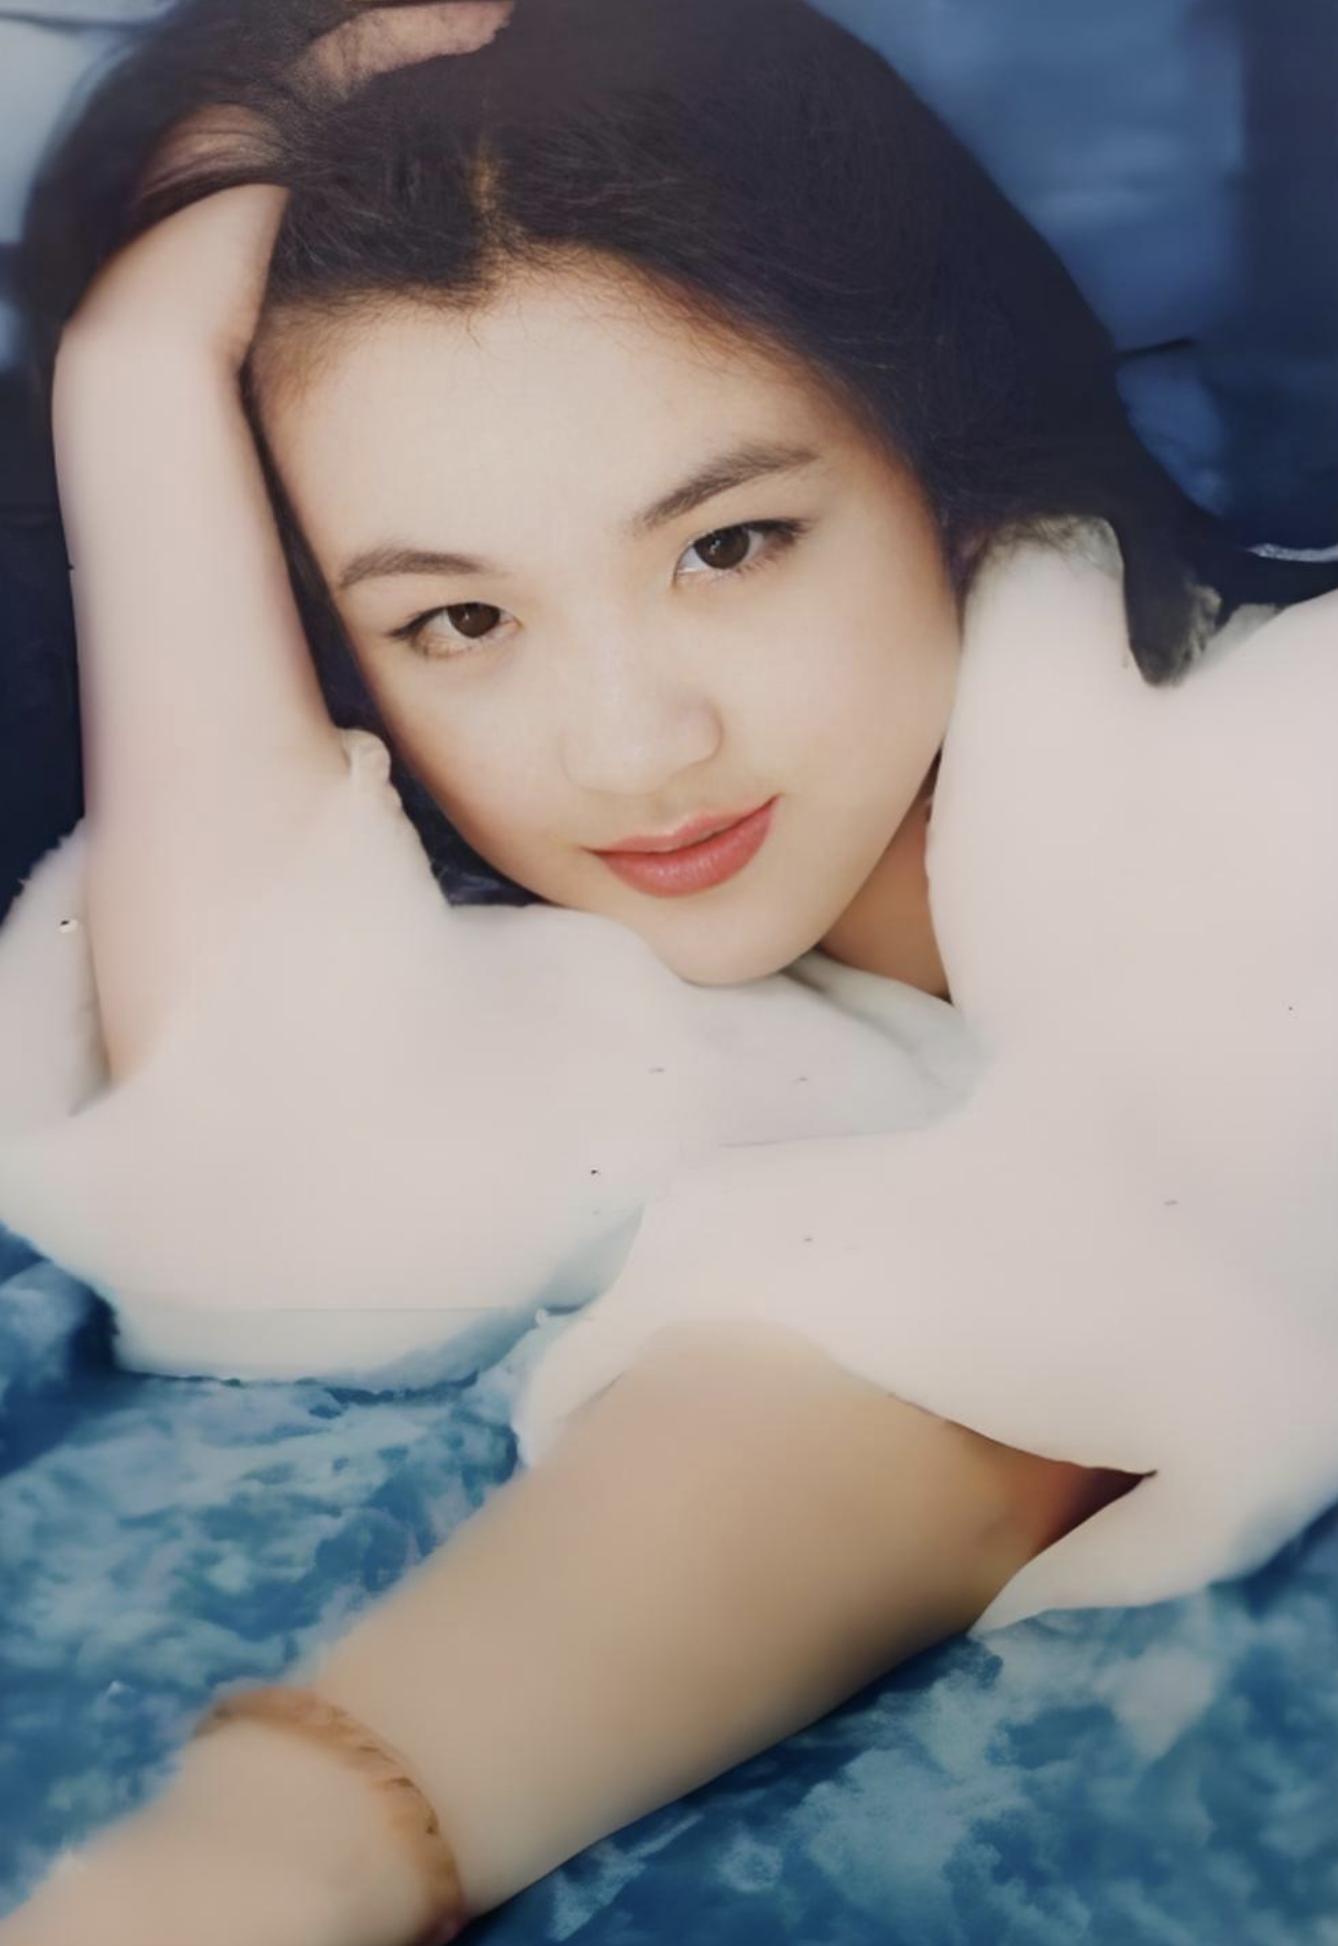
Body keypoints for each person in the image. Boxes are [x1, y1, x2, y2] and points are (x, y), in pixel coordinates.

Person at [1, 1, 1335, 1939]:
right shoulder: (690, 1014)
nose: (633, 747)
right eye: (460, 621)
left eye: (730, 544)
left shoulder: (1292, 750)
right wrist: (134, 404)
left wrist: (290, 1840)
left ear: (944, 460)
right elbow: (267, 1195)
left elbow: (1027, 1325)